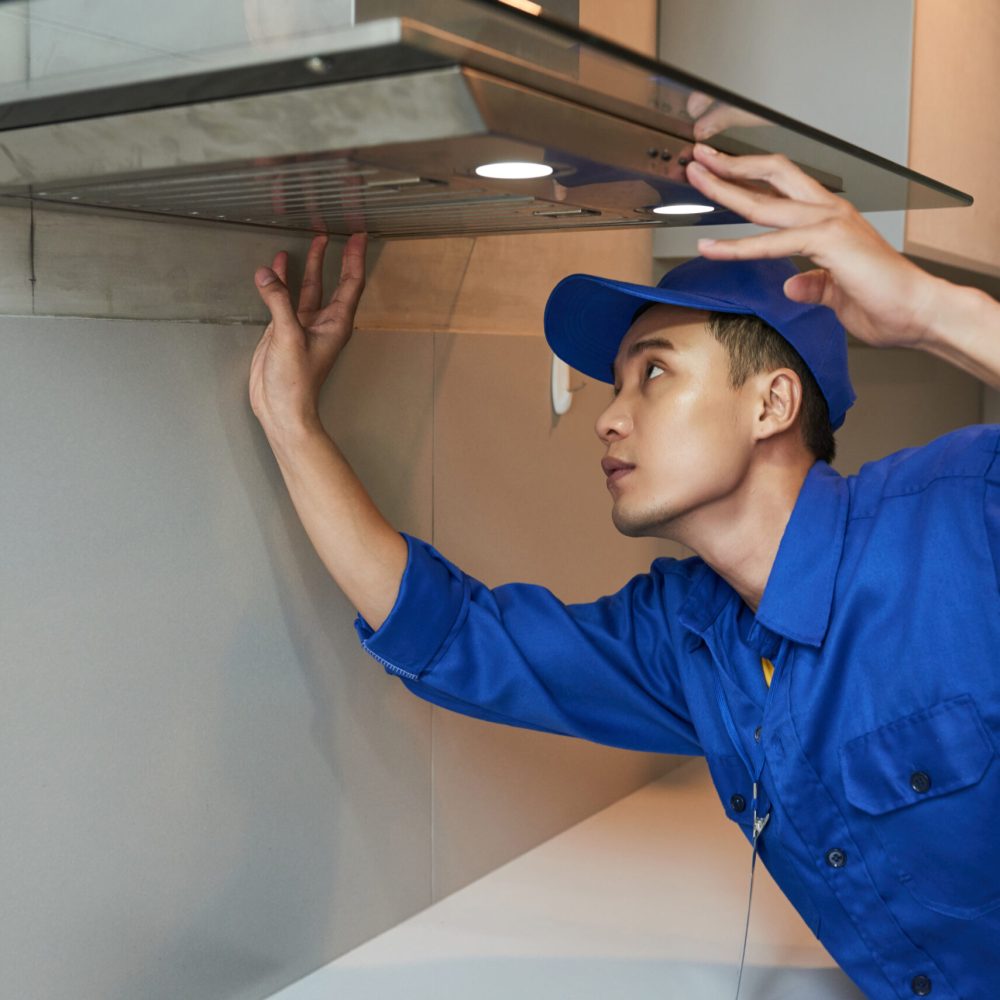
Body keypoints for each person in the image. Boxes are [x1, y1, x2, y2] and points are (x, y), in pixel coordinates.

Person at [248, 143, 1000, 1000]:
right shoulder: (689, 638)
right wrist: (290, 424)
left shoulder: (963, 516)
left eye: (653, 374)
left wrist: (935, 312)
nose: (608, 418)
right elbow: (458, 638)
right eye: (614, 385)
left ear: (771, 404)